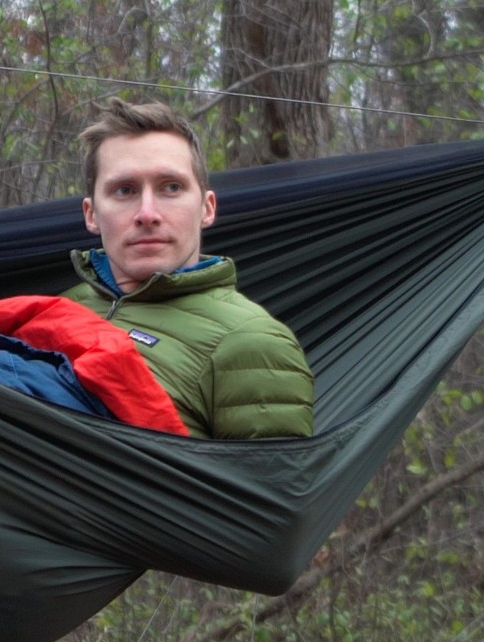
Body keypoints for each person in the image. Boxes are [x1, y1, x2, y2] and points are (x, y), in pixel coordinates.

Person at [64, 97, 312, 439]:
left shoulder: (250, 342)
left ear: (207, 208)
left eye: (171, 187)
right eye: (125, 190)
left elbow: (273, 487)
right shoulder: (64, 307)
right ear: (91, 214)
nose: (147, 213)